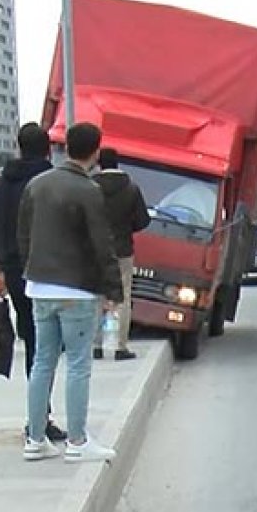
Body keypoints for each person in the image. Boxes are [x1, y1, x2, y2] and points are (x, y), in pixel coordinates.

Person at [17, 122, 123, 463]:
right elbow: (101, 243)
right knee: (78, 363)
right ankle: (77, 440)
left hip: (39, 286)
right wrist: (113, 289)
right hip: (77, 288)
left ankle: (35, 437)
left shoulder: (36, 185)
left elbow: (23, 234)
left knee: (42, 361)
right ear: (95, 150)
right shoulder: (88, 190)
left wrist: (29, 270)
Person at [0, 123, 66, 442]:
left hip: (12, 267)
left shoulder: (1, 185)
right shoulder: (50, 181)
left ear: (19, 147)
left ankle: (38, 414)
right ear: (47, 148)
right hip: (46, 270)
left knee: (34, 340)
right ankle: (39, 419)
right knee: (47, 346)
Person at [92, 147, 150, 361]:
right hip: (123, 249)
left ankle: (96, 345)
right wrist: (126, 228)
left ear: (99, 163)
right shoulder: (131, 189)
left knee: (97, 296)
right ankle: (120, 346)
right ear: (118, 163)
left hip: (95, 250)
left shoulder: (90, 187)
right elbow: (143, 221)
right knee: (123, 297)